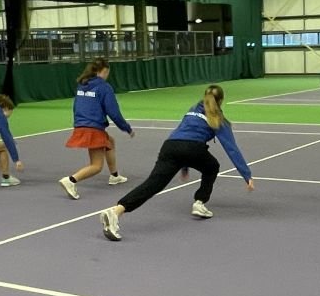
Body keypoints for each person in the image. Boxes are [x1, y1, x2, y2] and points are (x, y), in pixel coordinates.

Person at [100, 85, 253, 241]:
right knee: (212, 166)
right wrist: (247, 175)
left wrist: (184, 167)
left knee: (152, 184)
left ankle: (116, 211)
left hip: (170, 147)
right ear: (221, 100)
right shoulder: (218, 119)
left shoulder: (192, 110)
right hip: (193, 148)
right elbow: (231, 148)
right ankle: (199, 202)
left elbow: (183, 135)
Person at [59, 59, 132, 200]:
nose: (107, 76)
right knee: (96, 166)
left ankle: (115, 176)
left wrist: (79, 123)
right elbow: (113, 112)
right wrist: (126, 128)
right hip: (93, 128)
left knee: (109, 141)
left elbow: (76, 107)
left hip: (81, 125)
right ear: (102, 71)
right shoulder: (104, 87)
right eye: (106, 73)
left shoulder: (82, 85)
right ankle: (71, 180)